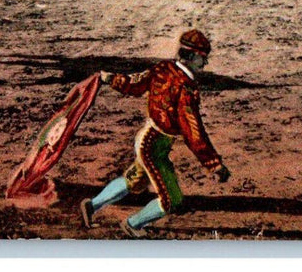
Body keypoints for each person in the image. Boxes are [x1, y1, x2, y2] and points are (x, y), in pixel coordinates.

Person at [80, 29, 230, 237]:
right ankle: (133, 224)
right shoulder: (185, 88)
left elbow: (135, 83)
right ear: (193, 56)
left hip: (147, 137)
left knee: (135, 180)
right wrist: (214, 164)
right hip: (153, 146)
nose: (204, 64)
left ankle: (92, 205)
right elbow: (193, 130)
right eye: (202, 59)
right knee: (172, 198)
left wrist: (111, 78)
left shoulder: (162, 68)